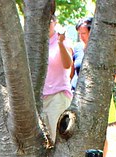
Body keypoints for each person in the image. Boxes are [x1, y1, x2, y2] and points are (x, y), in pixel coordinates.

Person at [42, 14, 73, 143]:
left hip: (58, 95)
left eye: (49, 21)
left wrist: (60, 43)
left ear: (55, 22)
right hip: (40, 98)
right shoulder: (37, 42)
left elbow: (68, 64)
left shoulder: (63, 40)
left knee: (57, 137)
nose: (46, 24)